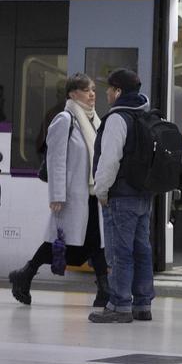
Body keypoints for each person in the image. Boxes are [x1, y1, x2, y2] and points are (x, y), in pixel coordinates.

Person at [8, 73, 108, 308]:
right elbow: (56, 160)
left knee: (94, 242)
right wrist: (57, 196)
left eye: (93, 89)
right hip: (72, 196)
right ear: (73, 94)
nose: (92, 94)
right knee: (58, 241)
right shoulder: (65, 119)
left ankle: (104, 290)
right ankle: (25, 274)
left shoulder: (95, 120)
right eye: (86, 90)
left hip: (91, 195)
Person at [89, 69, 154, 324]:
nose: (106, 92)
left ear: (118, 91)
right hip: (142, 194)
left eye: (109, 88)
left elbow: (110, 160)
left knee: (119, 252)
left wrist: (101, 190)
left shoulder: (117, 119)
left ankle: (118, 305)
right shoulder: (145, 115)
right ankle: (142, 304)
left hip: (121, 195)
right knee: (142, 250)